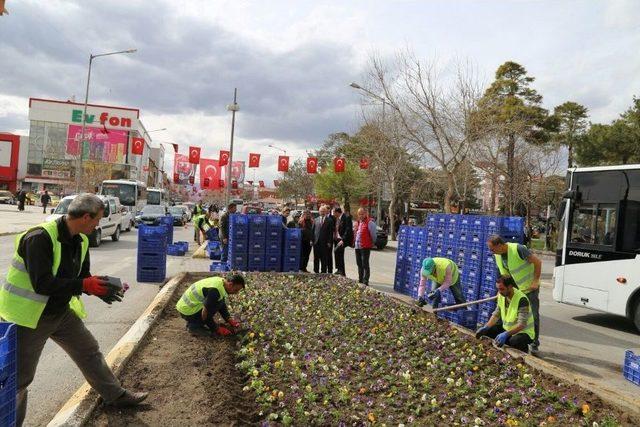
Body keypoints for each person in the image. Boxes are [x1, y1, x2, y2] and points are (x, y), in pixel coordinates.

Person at [0, 194, 147, 426]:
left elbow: (82, 278)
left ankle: (115, 395)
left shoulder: (82, 239)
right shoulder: (39, 238)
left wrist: (102, 288)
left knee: (89, 351)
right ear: (86, 217)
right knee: (19, 379)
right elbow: (43, 284)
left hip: (59, 313)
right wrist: (83, 285)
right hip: (27, 317)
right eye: (97, 220)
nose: (99, 224)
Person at [487, 234, 542, 353]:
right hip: (514, 289)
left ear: (500, 245)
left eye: (492, 249)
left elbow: (537, 262)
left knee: (532, 316)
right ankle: (509, 335)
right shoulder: (498, 255)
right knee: (508, 312)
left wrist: (535, 281)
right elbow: (504, 276)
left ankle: (534, 343)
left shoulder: (518, 249)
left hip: (529, 288)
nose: (491, 252)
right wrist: (501, 291)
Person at [475, 275, 535, 353]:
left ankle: (523, 354)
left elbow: (521, 325)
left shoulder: (521, 300)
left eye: (502, 289)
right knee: (488, 332)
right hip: (509, 329)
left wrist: (506, 334)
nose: (499, 292)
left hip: (524, 332)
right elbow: (496, 314)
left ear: (510, 287)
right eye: (498, 289)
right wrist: (486, 327)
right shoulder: (502, 295)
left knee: (515, 341)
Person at [176, 274, 245, 337]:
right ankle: (194, 327)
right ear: (230, 284)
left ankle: (194, 322)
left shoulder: (221, 282)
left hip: (187, 306)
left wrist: (229, 319)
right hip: (187, 310)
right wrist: (216, 328)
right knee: (213, 306)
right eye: (236, 290)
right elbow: (205, 314)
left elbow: (222, 304)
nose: (236, 293)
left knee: (218, 302)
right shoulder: (215, 291)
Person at [353, 208, 377, 285]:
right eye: (359, 214)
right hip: (357, 246)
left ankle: (365, 281)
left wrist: (372, 243)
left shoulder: (370, 223)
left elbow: (374, 235)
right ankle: (360, 279)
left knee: (365, 264)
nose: (360, 215)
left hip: (365, 246)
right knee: (359, 263)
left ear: (365, 214)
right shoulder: (358, 223)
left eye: (362, 214)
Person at [312, 205, 334, 273]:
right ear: (319, 212)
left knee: (324, 258)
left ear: (326, 212)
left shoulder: (329, 220)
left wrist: (329, 242)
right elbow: (313, 231)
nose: (322, 212)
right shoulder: (315, 220)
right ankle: (316, 271)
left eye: (324, 211)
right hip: (316, 242)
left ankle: (323, 271)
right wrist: (311, 240)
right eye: (321, 211)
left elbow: (330, 232)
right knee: (316, 258)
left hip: (325, 243)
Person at [333, 207, 353, 276]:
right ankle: (339, 269)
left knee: (340, 254)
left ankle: (342, 272)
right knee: (336, 252)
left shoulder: (346, 217)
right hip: (337, 239)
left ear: (337, 212)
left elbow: (348, 230)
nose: (333, 214)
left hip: (342, 239)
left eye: (334, 212)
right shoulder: (337, 218)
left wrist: (343, 240)